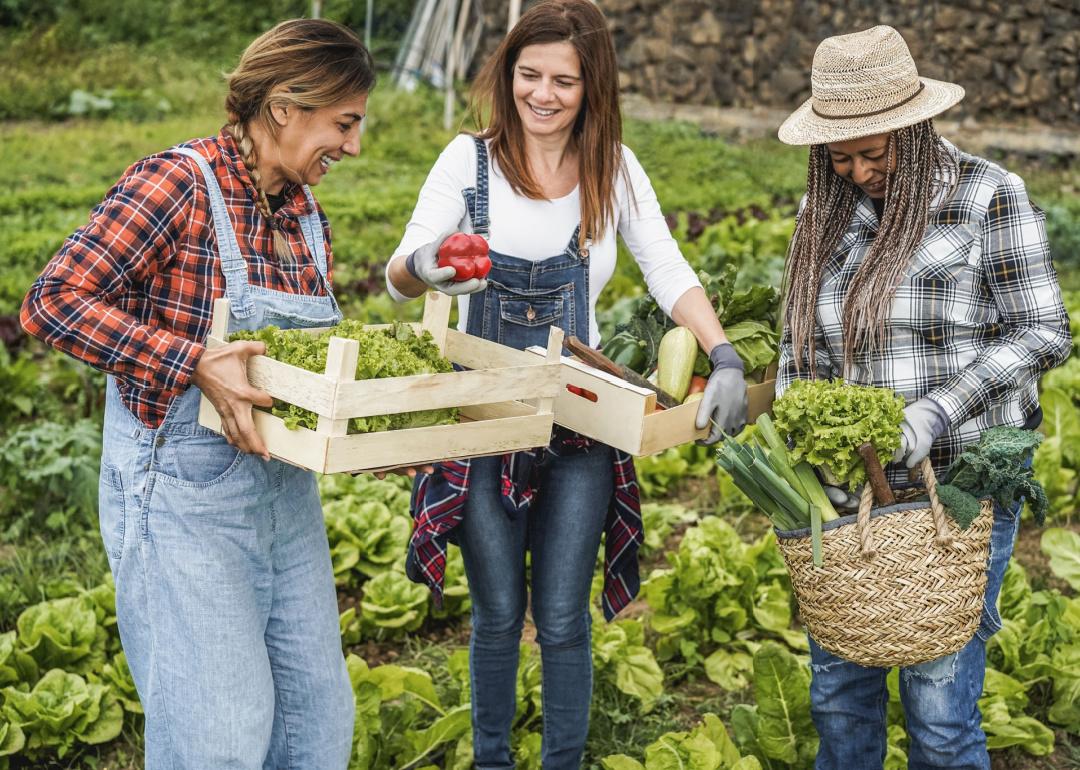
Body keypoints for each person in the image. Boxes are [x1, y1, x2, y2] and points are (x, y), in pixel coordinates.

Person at [385, 1, 748, 766]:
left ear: (593, 89)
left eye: (563, 81)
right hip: (482, 423)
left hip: (578, 421)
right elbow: (401, 268)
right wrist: (425, 267)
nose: (542, 94)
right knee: (495, 613)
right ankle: (492, 758)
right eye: (528, 75)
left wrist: (725, 356)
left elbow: (667, 270)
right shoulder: (468, 161)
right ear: (507, 74)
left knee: (560, 618)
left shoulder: (611, 169)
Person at [20, 19, 376, 769]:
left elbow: (287, 367)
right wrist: (190, 360)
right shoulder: (178, 184)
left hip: (284, 497)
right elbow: (53, 300)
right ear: (284, 108)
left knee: (317, 726)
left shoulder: (306, 215)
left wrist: (364, 423)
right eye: (343, 124)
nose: (353, 147)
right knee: (217, 735)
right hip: (183, 494)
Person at [775, 25, 1071, 769]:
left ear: (914, 126)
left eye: (875, 153)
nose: (858, 171)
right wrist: (800, 444)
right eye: (839, 157)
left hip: (960, 492)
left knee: (940, 713)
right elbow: (795, 353)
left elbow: (1043, 332)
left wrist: (938, 409)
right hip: (847, 503)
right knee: (838, 698)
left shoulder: (987, 197)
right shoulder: (821, 215)